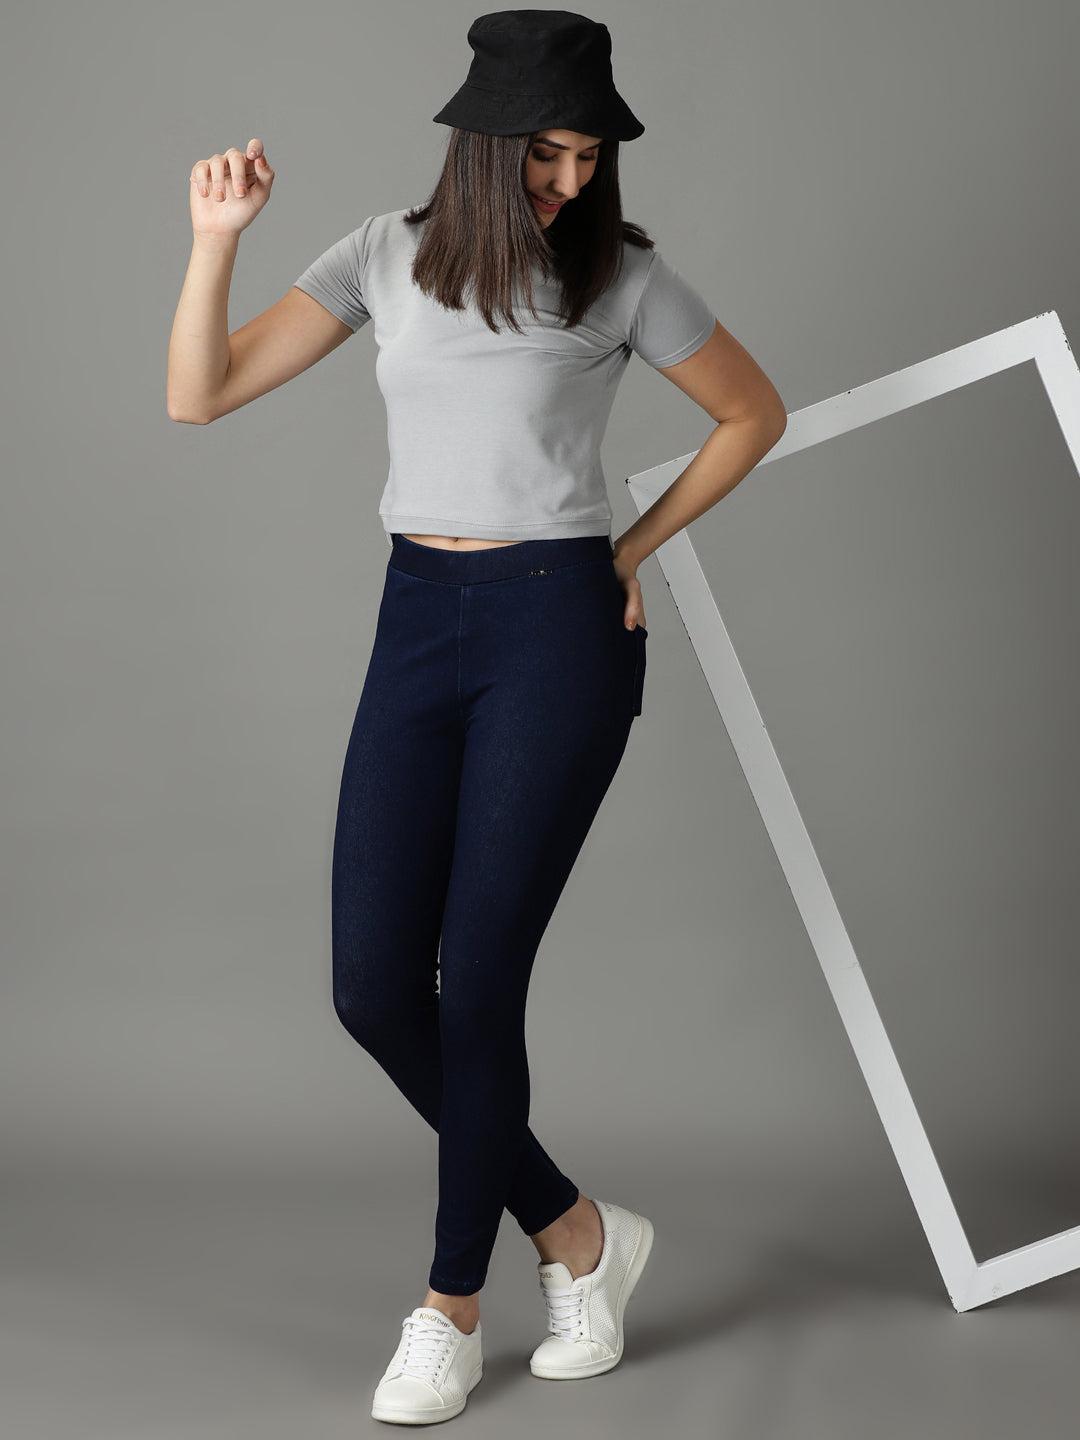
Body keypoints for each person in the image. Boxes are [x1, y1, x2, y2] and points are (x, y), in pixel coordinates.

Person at [167, 8, 787, 1426]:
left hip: (556, 631)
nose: (568, 181)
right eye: (546, 154)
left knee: (482, 976)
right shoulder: (381, 255)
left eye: (589, 156)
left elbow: (753, 414)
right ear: (481, 146)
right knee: (375, 988)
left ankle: (451, 1308)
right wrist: (216, 241)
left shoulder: (622, 276)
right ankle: (578, 1233)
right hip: (417, 622)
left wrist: (629, 553)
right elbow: (198, 396)